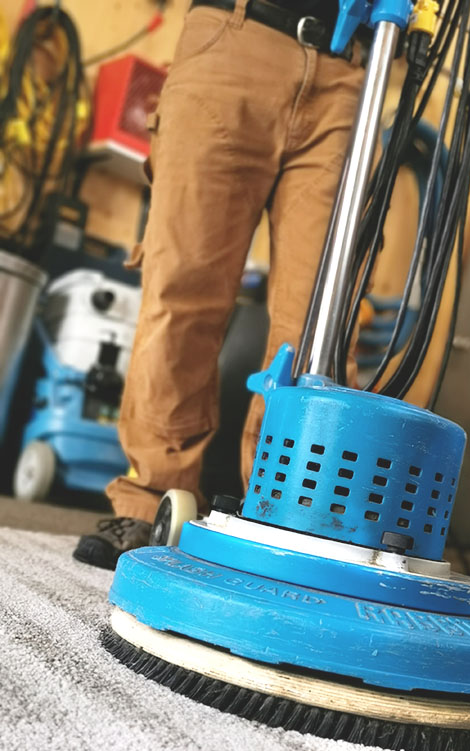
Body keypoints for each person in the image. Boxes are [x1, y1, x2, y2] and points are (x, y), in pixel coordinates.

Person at [73, 0, 366, 569]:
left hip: (350, 70)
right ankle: (152, 497)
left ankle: (291, 515)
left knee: (321, 326)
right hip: (234, 37)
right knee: (182, 290)